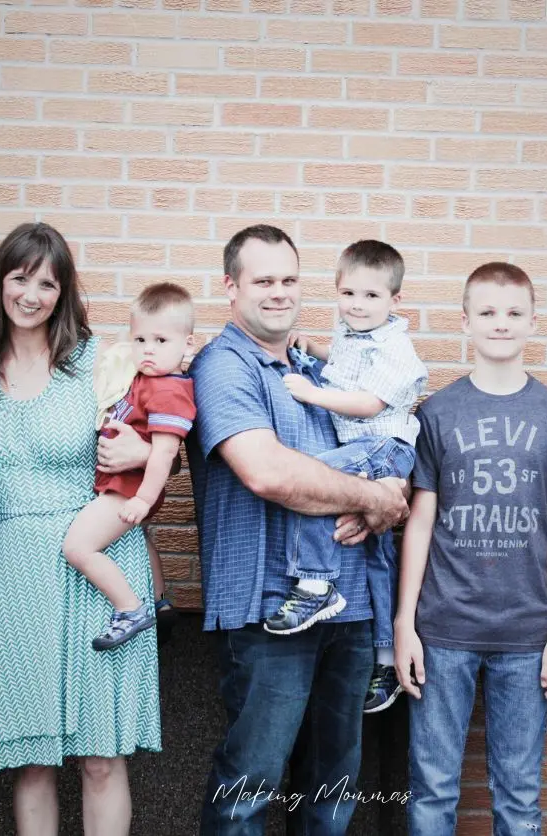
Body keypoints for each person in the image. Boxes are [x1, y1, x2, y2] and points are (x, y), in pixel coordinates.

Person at [186, 224, 410, 834]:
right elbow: (267, 474)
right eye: (263, 280)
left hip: (352, 606)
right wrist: (371, 497)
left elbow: (386, 450)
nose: (279, 292)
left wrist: (389, 494)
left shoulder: (321, 370)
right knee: (251, 784)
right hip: (269, 609)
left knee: (332, 788)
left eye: (289, 279)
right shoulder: (223, 366)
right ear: (230, 287)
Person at [0, 222, 161, 835]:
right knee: (30, 762)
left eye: (47, 283)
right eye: (20, 278)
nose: (31, 294)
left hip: (96, 565)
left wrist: (147, 452)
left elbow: (172, 409)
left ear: (64, 291)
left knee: (101, 758)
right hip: (14, 571)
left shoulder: (99, 360)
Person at [393, 262, 547, 835]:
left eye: (514, 313)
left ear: (532, 321)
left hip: (527, 633)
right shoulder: (438, 414)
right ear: (466, 322)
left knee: (520, 796)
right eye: (488, 312)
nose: (501, 324)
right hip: (443, 628)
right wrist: (406, 623)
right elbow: (420, 521)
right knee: (431, 792)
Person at [273, 239, 428, 714]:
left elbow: (368, 402)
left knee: (313, 478)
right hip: (366, 448)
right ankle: (385, 661)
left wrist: (308, 393)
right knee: (380, 556)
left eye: (371, 296)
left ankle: (315, 586)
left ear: (395, 301)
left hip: (384, 447)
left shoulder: (397, 348)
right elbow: (346, 369)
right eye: (348, 294)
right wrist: (315, 350)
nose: (357, 306)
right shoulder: (351, 333)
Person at [61, 282, 196, 651]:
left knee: (78, 548)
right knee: (141, 540)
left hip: (130, 491)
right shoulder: (143, 378)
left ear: (188, 345)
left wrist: (143, 498)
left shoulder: (169, 389)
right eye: (140, 340)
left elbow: (165, 452)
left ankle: (130, 608)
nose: (148, 350)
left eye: (161, 341)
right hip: (122, 486)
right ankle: (157, 599)